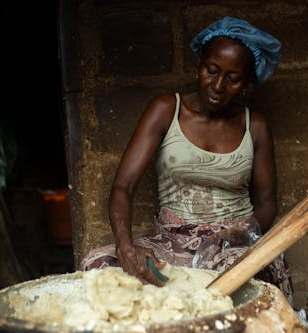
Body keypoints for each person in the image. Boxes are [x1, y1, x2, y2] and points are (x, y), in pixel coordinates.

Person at [81, 16, 293, 304]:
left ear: (246, 82)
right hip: (171, 240)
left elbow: (267, 203)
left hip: (230, 244)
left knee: (235, 281)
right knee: (99, 264)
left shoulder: (254, 125)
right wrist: (125, 246)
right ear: (199, 65)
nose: (218, 85)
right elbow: (123, 186)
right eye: (212, 70)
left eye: (232, 79)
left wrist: (235, 235)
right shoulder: (167, 110)